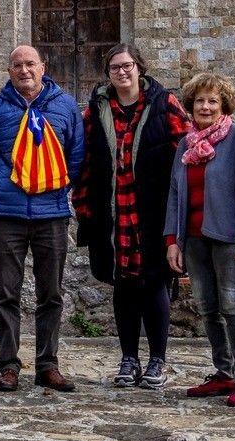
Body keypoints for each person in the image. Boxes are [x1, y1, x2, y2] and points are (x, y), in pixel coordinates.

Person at [73, 43, 189, 389]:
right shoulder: (96, 109)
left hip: (151, 211)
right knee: (122, 284)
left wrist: (178, 208)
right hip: (113, 210)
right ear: (107, 73)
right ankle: (128, 359)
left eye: (127, 66)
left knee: (154, 282)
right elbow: (85, 161)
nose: (121, 72)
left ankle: (157, 360)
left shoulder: (164, 103)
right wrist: (84, 209)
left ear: (139, 67)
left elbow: (186, 151)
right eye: (114, 67)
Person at [0, 45, 84, 393]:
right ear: (8, 70)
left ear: (43, 67)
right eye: (17, 65)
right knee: (6, 293)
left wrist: (54, 186)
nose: (24, 70)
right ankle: (8, 366)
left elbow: (76, 155)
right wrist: (0, 190)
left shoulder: (65, 106)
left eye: (30, 64)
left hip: (51, 214)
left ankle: (47, 364)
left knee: (51, 292)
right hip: (7, 214)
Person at [165, 73, 235, 407]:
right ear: (191, 105)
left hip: (230, 236)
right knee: (207, 307)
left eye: (212, 101)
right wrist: (172, 240)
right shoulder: (185, 144)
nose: (205, 106)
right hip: (193, 237)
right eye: (200, 101)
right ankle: (224, 372)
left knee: (233, 304)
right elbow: (175, 193)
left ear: (224, 105)